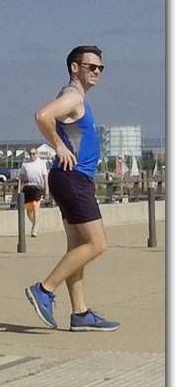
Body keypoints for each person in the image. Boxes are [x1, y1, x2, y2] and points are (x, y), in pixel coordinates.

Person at [25, 47, 119, 331]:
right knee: (97, 244)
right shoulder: (73, 96)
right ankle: (44, 289)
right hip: (74, 178)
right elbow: (42, 115)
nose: (96, 72)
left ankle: (80, 313)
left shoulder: (74, 97)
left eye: (100, 68)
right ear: (74, 67)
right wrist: (59, 145)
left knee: (78, 248)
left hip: (71, 178)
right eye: (91, 67)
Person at [18, 146, 49, 236]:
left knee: (36, 205)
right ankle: (35, 223)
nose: (32, 156)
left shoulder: (41, 163)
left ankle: (35, 227)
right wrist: (19, 189)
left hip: (38, 187)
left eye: (33, 154)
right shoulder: (25, 164)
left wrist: (46, 190)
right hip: (28, 187)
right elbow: (21, 177)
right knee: (29, 210)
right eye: (30, 154)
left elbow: (45, 178)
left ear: (37, 154)